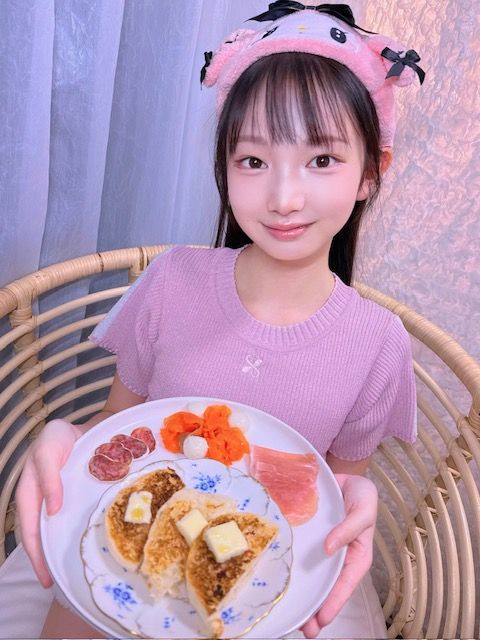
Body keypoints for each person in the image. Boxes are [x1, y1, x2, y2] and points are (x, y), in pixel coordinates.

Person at [16, 2, 424, 638]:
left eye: (322, 159)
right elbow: (119, 428)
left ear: (372, 172)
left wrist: (356, 498)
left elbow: (337, 494)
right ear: (225, 168)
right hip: (131, 565)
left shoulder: (377, 344)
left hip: (263, 584)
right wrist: (67, 438)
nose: (284, 198)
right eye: (253, 161)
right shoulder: (172, 282)